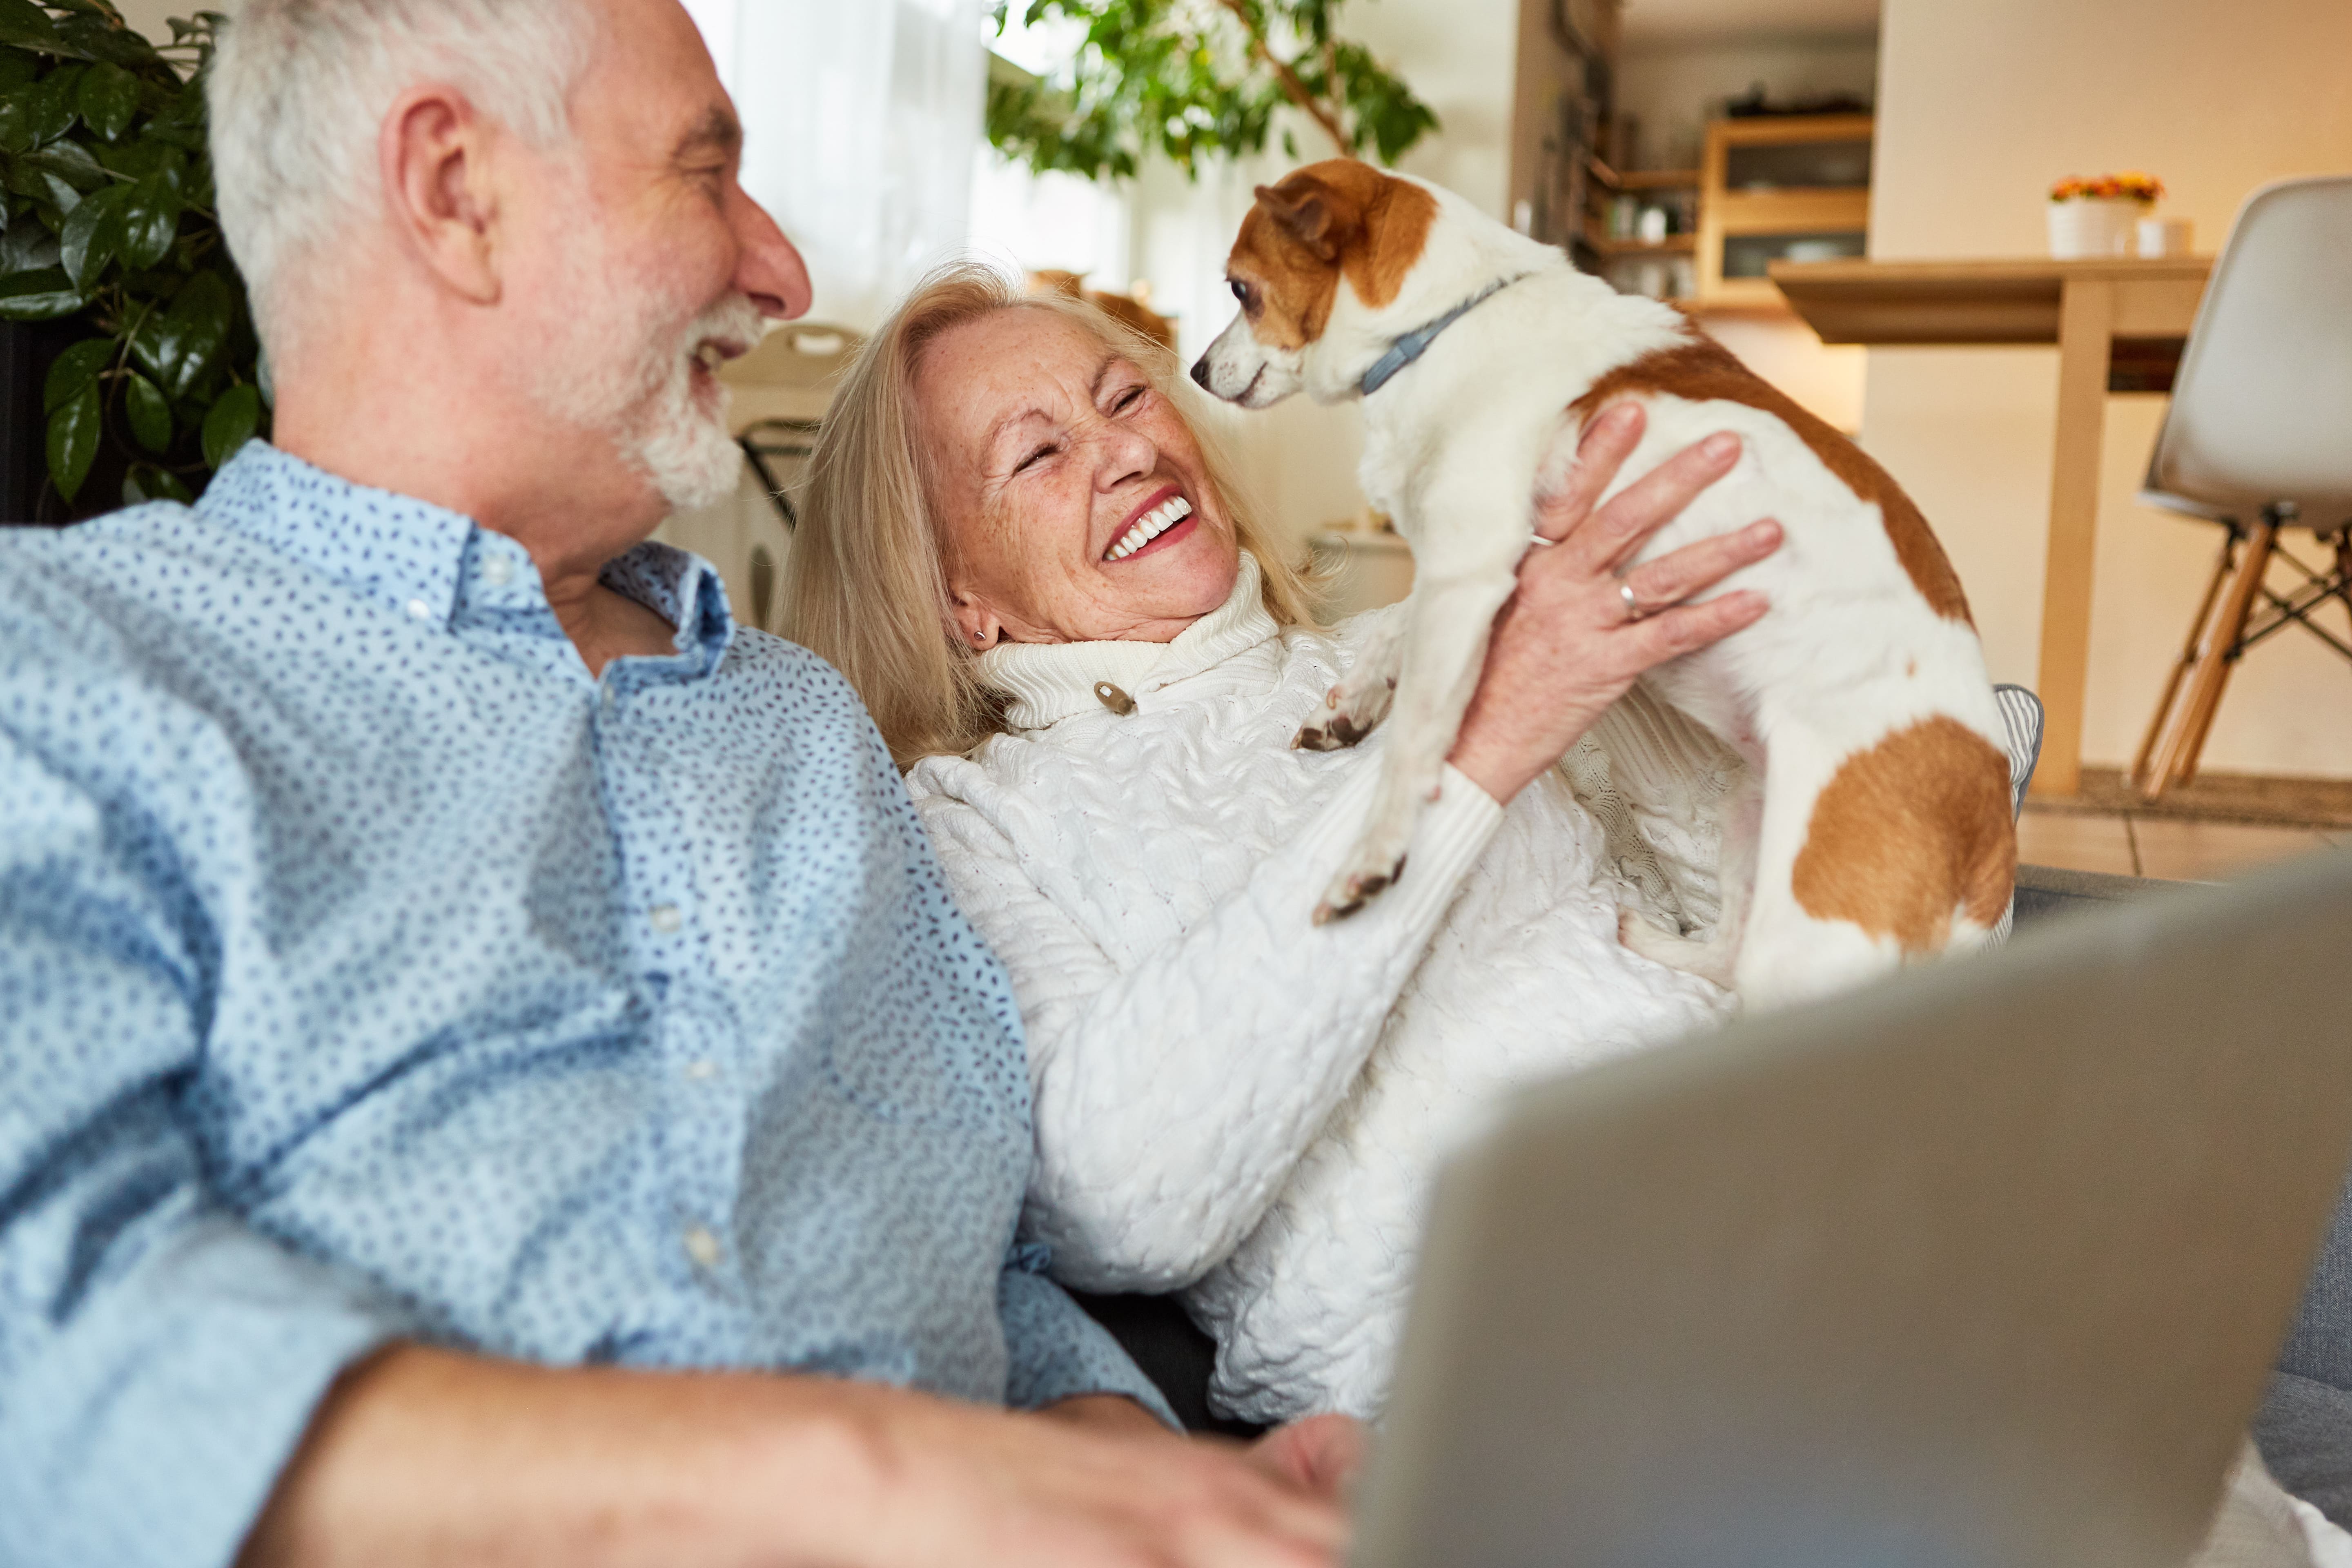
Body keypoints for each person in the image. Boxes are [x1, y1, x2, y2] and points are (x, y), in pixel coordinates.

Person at [0, 3, 1364, 1564]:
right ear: (453, 190)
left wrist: (1161, 1485)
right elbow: (46, 1348)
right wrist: (862, 1480)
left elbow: (989, 1271)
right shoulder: (67, 674)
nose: (781, 270)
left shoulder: (799, 727)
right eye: (706, 172)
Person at [782, 265, 1788, 1423]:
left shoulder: (1415, 643)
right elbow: (1115, 1200)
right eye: (1037, 454)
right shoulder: (971, 819)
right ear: (965, 599)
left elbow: (1760, 912)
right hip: (1532, 1363)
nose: (1126, 452)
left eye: (1126, 398)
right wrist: (1467, 757)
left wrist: (1653, 633)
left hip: (1787, 1200)